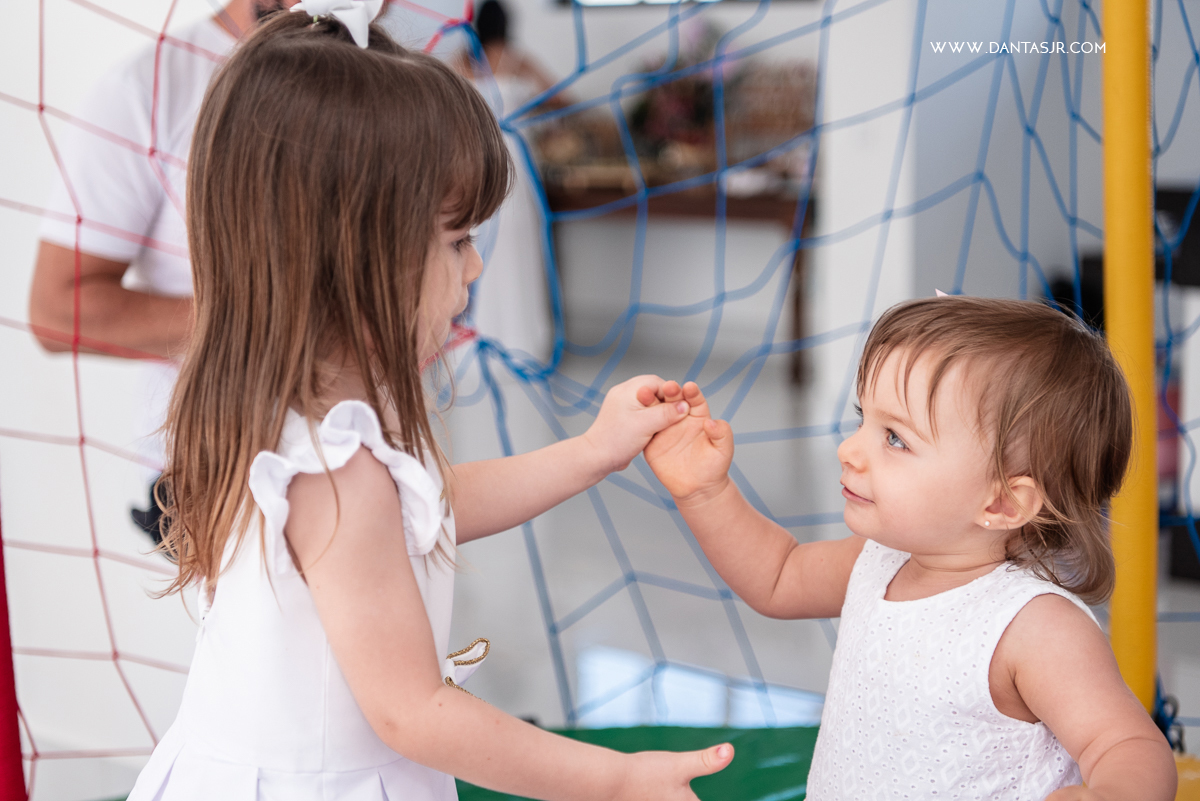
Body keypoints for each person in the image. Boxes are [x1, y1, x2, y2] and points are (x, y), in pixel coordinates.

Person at [126, 9, 733, 800]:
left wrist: (592, 450)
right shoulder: (335, 467)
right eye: (456, 241)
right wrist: (615, 779)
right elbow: (413, 710)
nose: (476, 266)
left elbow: (429, 505)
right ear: (354, 255)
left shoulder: (272, 408)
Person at [644, 296, 1178, 800]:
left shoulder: (1035, 627)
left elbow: (1127, 743)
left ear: (1002, 503)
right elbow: (777, 576)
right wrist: (705, 491)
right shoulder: (879, 559)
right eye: (863, 420)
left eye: (895, 438)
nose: (848, 450)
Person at [28, 0, 296, 542]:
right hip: (214, 475)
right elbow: (57, 310)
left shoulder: (381, 77)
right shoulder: (149, 88)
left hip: (361, 440)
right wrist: (276, 328)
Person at [454, 0, 564, 364]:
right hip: (515, 162)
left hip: (476, 162)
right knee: (518, 250)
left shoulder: (460, 62)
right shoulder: (516, 60)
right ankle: (522, 339)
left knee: (479, 245)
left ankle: (478, 335)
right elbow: (561, 98)